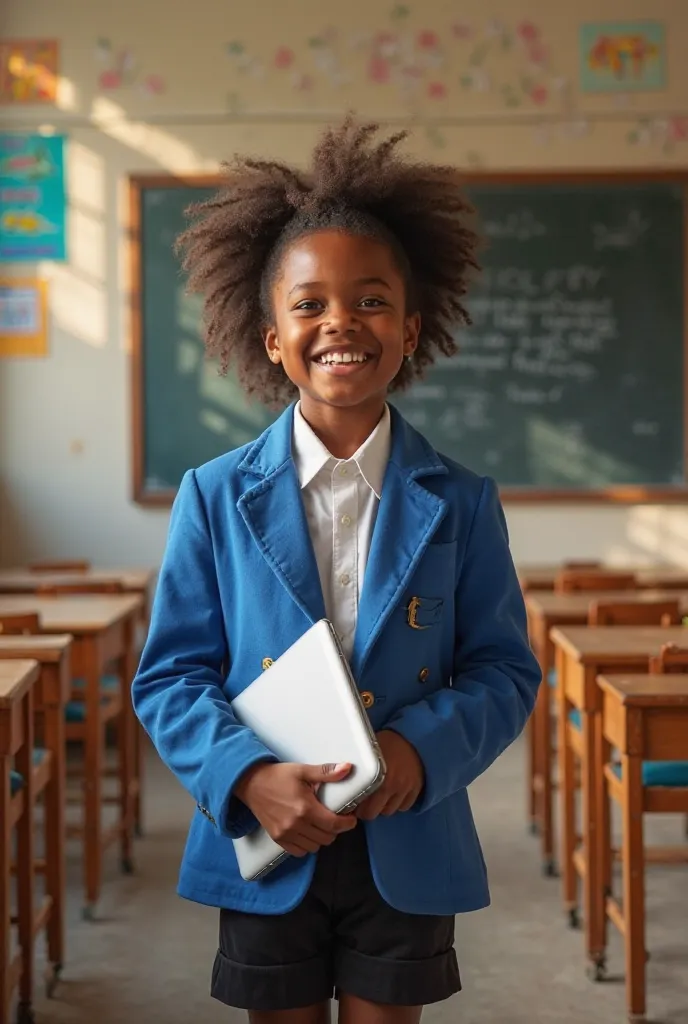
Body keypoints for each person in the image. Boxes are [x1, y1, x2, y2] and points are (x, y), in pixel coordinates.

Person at [132, 117, 542, 1024]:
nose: (339, 324)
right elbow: (170, 676)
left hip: (409, 826)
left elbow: (506, 671)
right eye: (309, 305)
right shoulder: (212, 495)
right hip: (270, 827)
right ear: (272, 337)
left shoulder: (462, 500)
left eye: (370, 301)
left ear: (411, 328)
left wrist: (415, 751)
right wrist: (246, 777)